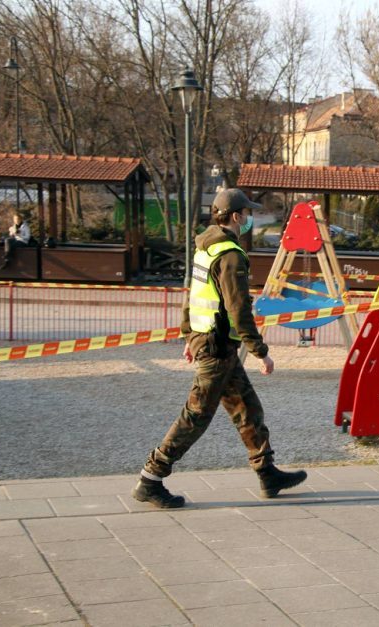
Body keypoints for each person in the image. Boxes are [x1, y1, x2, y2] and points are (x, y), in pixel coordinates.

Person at [133, 188, 307, 508]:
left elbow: (192, 296)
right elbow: (238, 308)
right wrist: (260, 352)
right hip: (217, 347)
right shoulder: (229, 254)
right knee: (196, 415)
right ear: (237, 216)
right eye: (248, 213)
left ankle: (267, 472)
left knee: (247, 408)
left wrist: (189, 335)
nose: (249, 219)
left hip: (211, 342)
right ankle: (151, 478)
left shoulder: (205, 249)